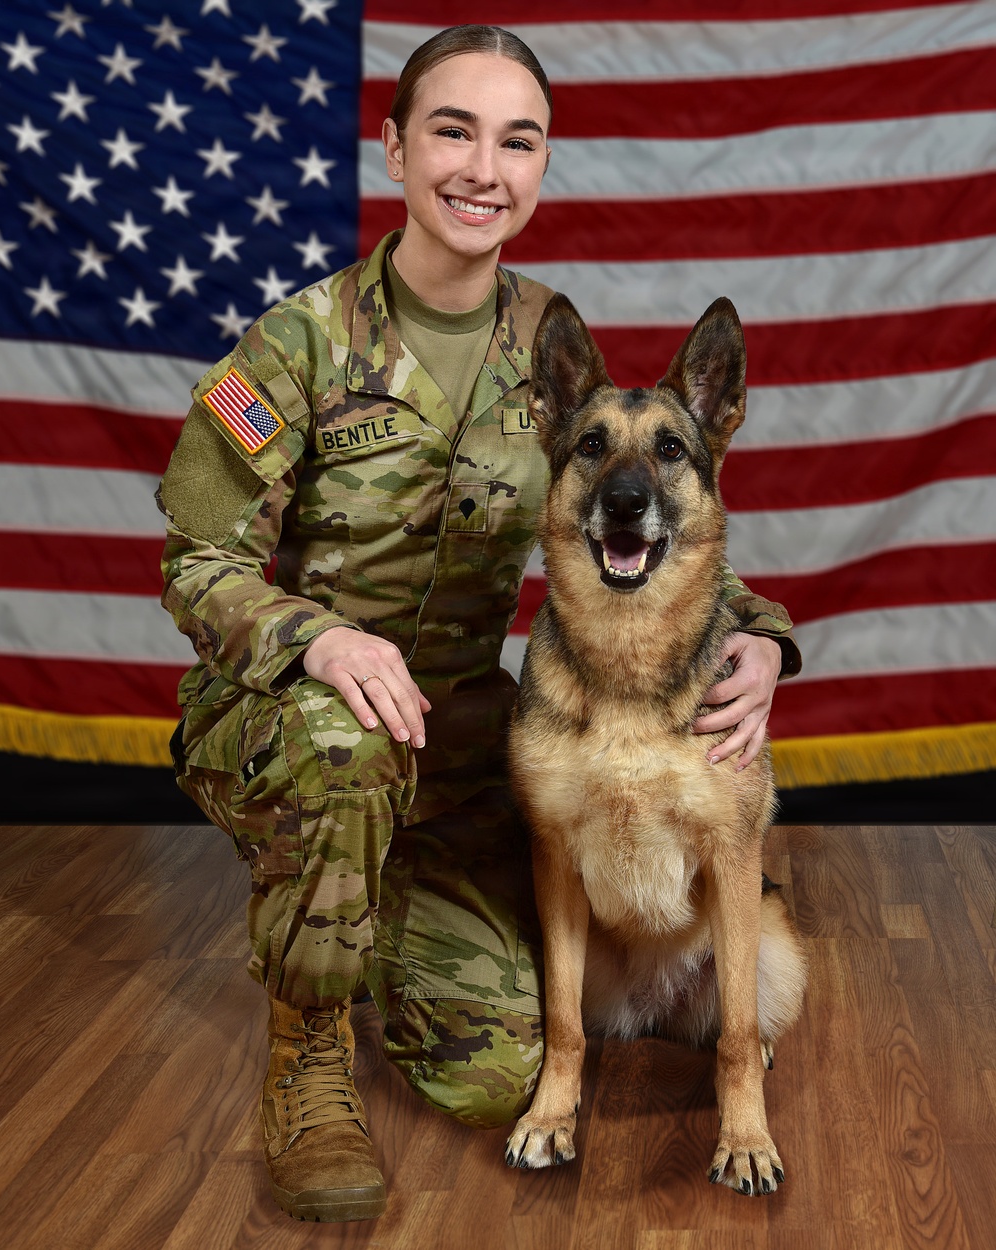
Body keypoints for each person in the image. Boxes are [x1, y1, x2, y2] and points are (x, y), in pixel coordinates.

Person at [157, 24, 800, 1225]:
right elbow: (196, 558)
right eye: (452, 129)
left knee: (500, 1069)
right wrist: (322, 641)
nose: (482, 167)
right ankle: (306, 1052)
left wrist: (762, 637)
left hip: (456, 741)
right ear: (394, 147)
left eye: (518, 140)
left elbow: (635, 520)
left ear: (542, 168)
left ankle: (380, 913)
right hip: (297, 722)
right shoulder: (298, 342)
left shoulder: (548, 344)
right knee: (344, 742)